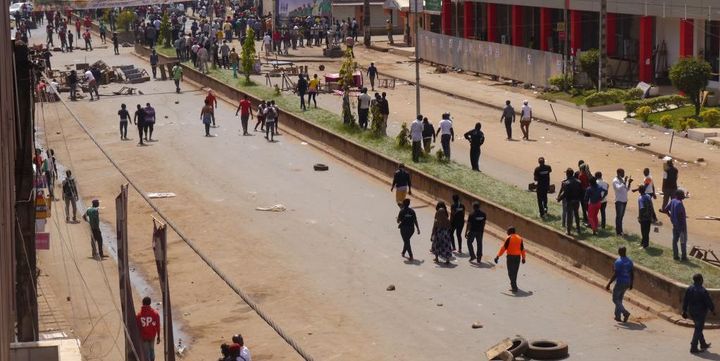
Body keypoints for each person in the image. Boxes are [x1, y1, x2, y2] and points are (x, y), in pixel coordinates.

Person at [683, 273, 715, 354]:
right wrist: (713, 310)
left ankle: (703, 343)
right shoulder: (703, 291)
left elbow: (685, 300)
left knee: (698, 328)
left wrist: (684, 310)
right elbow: (708, 301)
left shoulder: (689, 288)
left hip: (692, 312)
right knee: (698, 329)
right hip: (700, 313)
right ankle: (693, 347)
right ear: (701, 280)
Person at [605, 246, 633, 323]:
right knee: (619, 299)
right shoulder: (630, 261)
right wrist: (631, 283)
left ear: (620, 252)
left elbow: (615, 274)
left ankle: (625, 313)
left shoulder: (618, 262)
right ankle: (617, 316)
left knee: (615, 299)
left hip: (620, 282)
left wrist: (609, 283)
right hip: (627, 282)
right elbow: (632, 273)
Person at [494, 227, 526, 293]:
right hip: (517, 257)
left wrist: (497, 256)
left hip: (510, 257)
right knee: (515, 272)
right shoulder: (520, 238)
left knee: (510, 272)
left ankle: (514, 287)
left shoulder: (509, 238)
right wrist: (523, 258)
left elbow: (503, 248)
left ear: (510, 232)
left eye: (507, 231)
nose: (507, 232)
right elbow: (522, 249)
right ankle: (513, 285)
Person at [664, 189, 688, 260]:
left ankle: (675, 256)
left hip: (675, 225)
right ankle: (683, 257)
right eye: (682, 195)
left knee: (675, 241)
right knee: (683, 242)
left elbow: (665, 210)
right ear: (678, 196)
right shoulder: (679, 204)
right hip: (681, 227)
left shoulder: (673, 201)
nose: (684, 196)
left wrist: (671, 216)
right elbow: (680, 215)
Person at [557, 168, 582, 235]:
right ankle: (578, 229)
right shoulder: (578, 181)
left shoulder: (566, 183)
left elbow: (565, 193)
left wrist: (559, 199)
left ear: (567, 174)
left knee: (569, 216)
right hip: (576, 200)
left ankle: (568, 230)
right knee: (576, 215)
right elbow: (581, 191)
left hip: (570, 201)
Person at [136, 296, 161, 361]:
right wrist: (158, 336)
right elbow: (158, 326)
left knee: (146, 352)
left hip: (144, 337)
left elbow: (138, 327)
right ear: (150, 303)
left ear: (142, 303)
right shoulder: (155, 314)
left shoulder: (139, 315)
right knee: (152, 350)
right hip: (152, 336)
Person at [612, 168, 632, 236]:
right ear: (618, 173)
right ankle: (618, 232)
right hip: (619, 201)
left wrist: (629, 182)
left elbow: (627, 189)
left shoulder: (622, 180)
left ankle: (621, 231)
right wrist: (624, 182)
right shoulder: (615, 181)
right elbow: (618, 188)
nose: (624, 174)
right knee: (619, 217)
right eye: (622, 173)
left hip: (624, 200)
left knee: (621, 217)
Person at [637, 184, 654, 248]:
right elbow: (651, 206)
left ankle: (645, 245)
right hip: (649, 216)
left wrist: (640, 217)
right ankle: (642, 242)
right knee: (647, 231)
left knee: (644, 231)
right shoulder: (648, 196)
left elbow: (642, 208)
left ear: (639, 191)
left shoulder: (640, 198)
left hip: (644, 218)